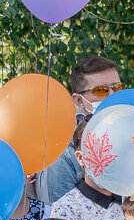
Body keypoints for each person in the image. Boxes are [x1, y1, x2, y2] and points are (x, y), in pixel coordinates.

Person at [38, 57, 124, 206]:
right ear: (79, 100)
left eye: (116, 87)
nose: (112, 95)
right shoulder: (64, 153)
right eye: (101, 90)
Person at [49, 131, 127, 220]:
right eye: (99, 154)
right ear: (81, 158)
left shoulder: (131, 196)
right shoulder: (66, 208)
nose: (108, 161)